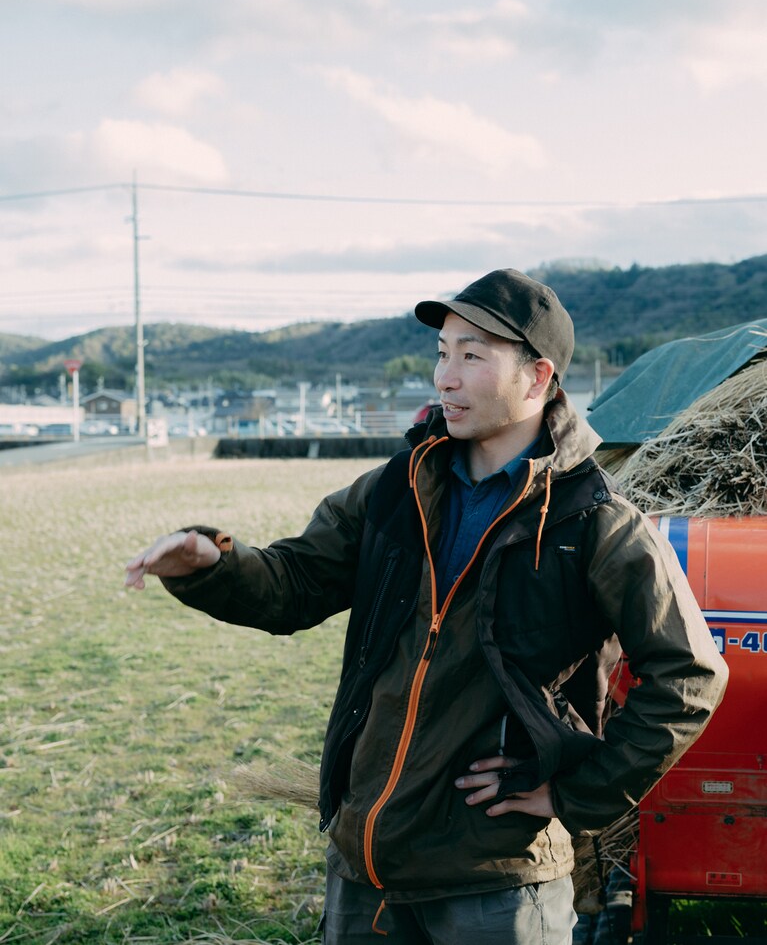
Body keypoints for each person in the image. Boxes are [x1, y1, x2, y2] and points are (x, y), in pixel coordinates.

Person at [125, 269, 728, 945]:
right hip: (365, 867)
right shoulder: (395, 491)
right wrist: (214, 562)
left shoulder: (595, 521)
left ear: (536, 378)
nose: (444, 376)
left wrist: (573, 794)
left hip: (498, 882)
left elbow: (689, 676)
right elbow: (293, 583)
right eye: (443, 352)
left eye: (472, 356)